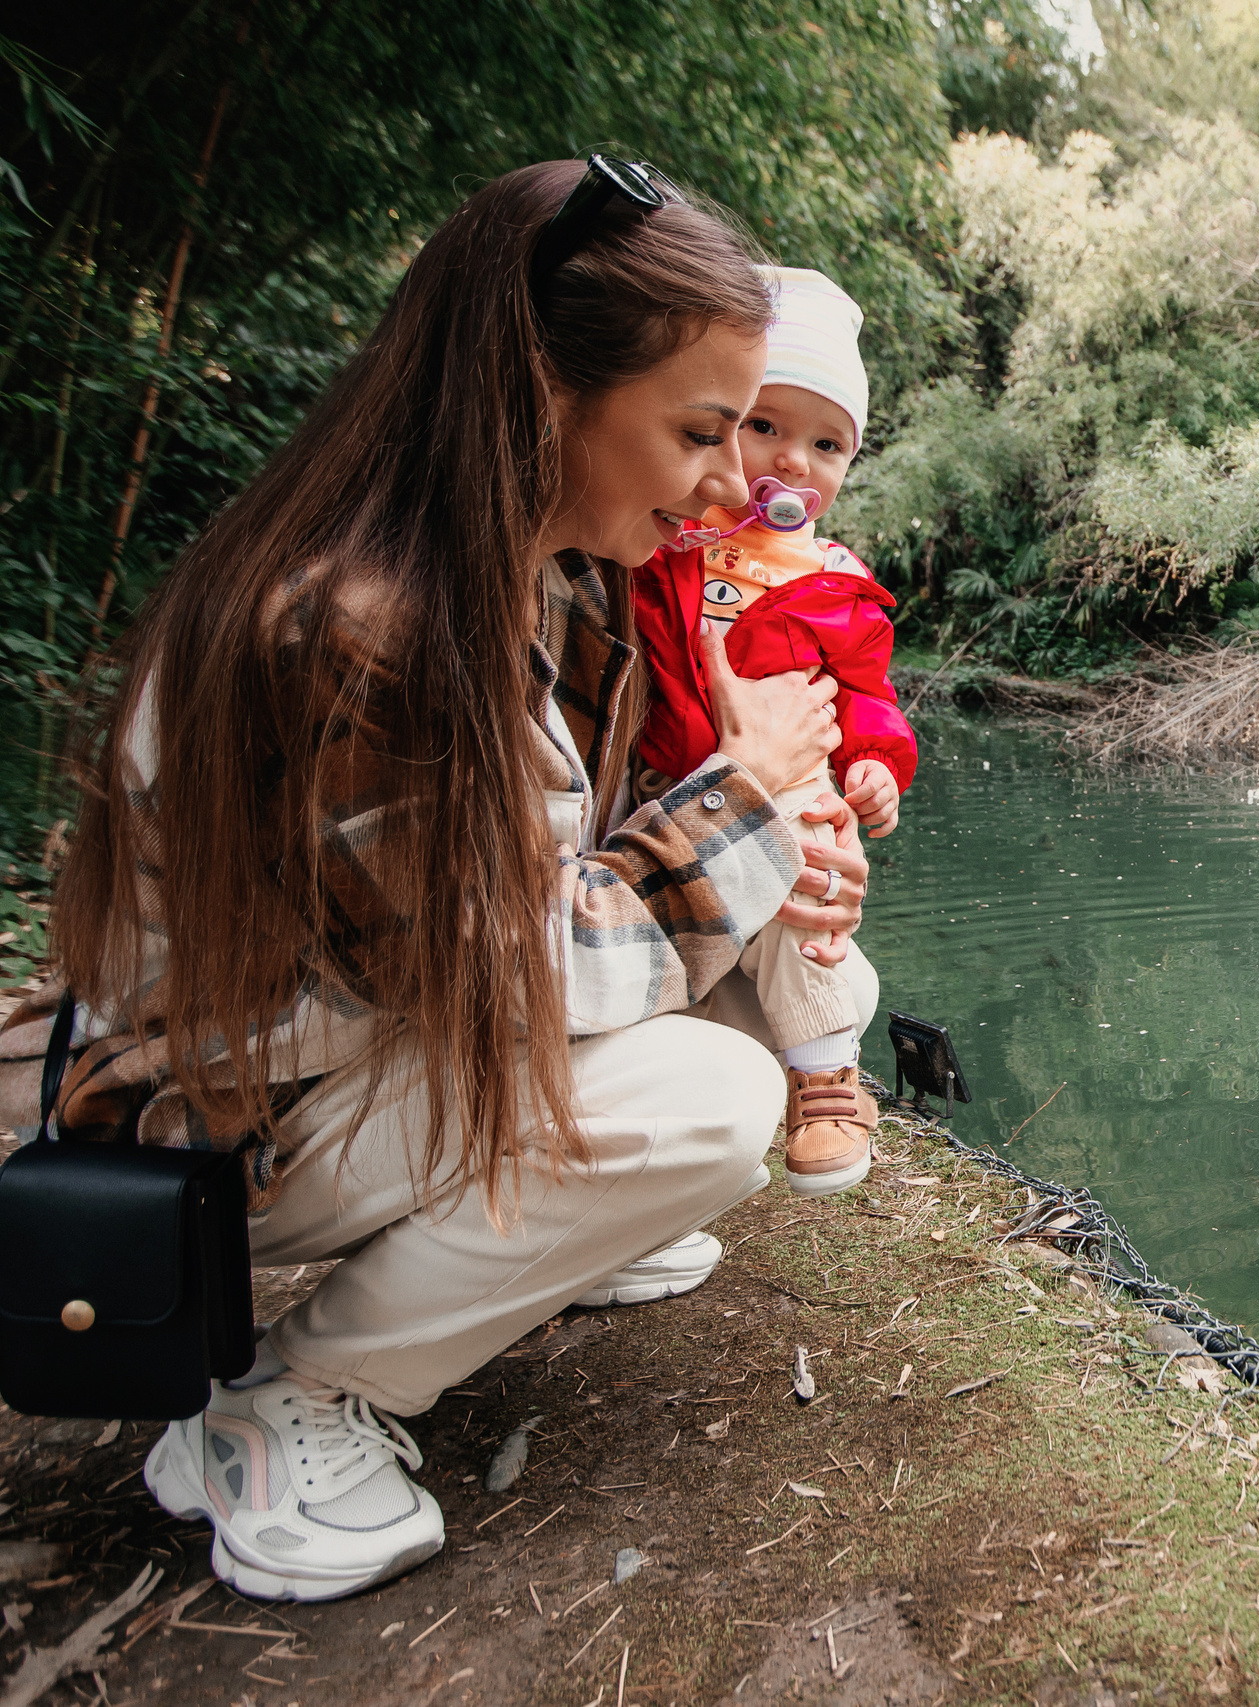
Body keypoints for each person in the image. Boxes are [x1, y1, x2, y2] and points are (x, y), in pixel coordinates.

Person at [0, 157, 868, 1602]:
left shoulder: (537, 571)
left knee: (747, 996)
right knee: (715, 1095)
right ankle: (282, 1405)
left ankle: (526, 1243)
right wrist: (748, 804)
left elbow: (555, 866)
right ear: (543, 392)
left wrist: (777, 848)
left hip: (337, 1057)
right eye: (700, 431)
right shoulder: (361, 632)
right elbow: (518, 969)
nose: (733, 482)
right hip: (192, 1130)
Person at [632, 266, 915, 1197]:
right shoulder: (665, 536)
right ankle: (649, 1173)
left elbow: (865, 694)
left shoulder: (834, 580)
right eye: (766, 427)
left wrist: (875, 764)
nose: (794, 462)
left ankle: (828, 1078)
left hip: (785, 781)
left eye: (827, 444)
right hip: (666, 782)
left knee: (802, 860)